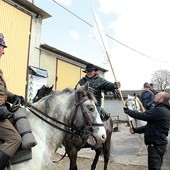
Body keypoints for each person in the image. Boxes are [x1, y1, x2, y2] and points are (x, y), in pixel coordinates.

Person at [123, 91, 170, 170]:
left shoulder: (160, 110)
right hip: (158, 145)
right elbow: (149, 127)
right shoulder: (162, 110)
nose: (155, 95)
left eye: (157, 95)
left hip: (156, 146)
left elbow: (144, 115)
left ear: (161, 99)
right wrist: (135, 130)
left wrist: (128, 111)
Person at [0, 33, 25, 169]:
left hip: (3, 109)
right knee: (15, 138)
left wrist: (14, 96)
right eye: (2, 47)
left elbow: (3, 92)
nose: (4, 51)